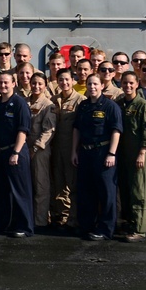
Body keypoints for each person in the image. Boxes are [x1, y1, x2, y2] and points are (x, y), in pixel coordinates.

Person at [71, 74, 123, 240]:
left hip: (103, 153)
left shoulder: (110, 106)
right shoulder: (84, 106)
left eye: (95, 84)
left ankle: (106, 229)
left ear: (102, 85)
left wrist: (112, 153)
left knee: (107, 193)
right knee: (86, 191)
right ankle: (87, 225)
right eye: (89, 84)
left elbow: (116, 130)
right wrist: (74, 151)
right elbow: (77, 129)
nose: (92, 87)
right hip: (85, 153)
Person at [0, 71, 35, 238]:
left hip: (15, 152)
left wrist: (16, 152)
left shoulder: (20, 104)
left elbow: (23, 130)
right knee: (0, 191)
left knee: (20, 191)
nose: (3, 85)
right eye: (0, 83)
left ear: (14, 83)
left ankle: (25, 227)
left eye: (6, 82)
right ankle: (3, 224)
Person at [116, 71, 146, 242]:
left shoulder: (143, 106)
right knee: (126, 191)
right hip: (124, 155)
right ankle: (131, 223)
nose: (127, 86)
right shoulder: (119, 104)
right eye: (125, 83)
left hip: (140, 155)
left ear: (137, 84)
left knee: (139, 192)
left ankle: (140, 229)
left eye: (131, 83)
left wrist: (142, 153)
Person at [50, 68, 85, 230]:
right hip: (56, 147)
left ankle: (74, 218)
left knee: (73, 184)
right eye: (61, 80)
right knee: (58, 183)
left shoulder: (80, 100)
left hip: (72, 148)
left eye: (67, 79)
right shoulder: (53, 100)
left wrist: (76, 150)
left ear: (73, 81)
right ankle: (62, 216)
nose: (64, 83)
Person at [27, 72, 55, 229]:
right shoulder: (25, 102)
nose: (36, 86)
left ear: (45, 86)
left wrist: (36, 148)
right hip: (25, 148)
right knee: (28, 184)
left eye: (40, 83)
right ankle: (29, 217)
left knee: (41, 185)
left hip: (40, 151)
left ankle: (40, 220)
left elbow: (49, 131)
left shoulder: (48, 105)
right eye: (34, 83)